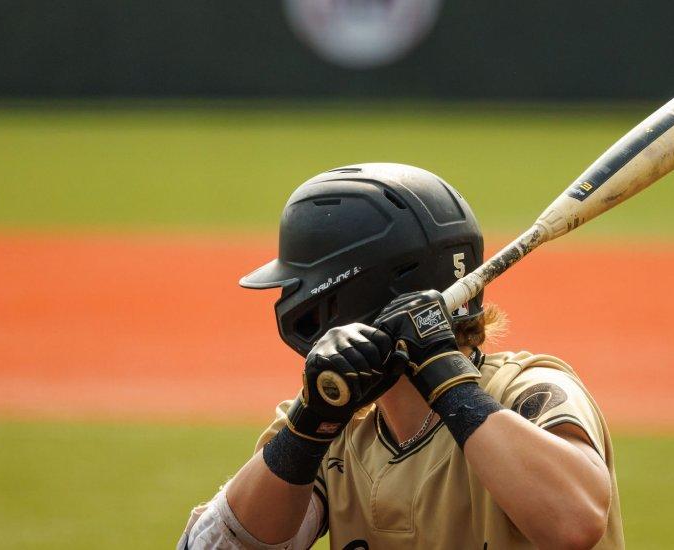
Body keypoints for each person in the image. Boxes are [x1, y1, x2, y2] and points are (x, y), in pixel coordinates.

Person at [179, 163, 625, 549]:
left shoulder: (528, 390)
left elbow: (575, 525)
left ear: (347, 296)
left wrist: (445, 378)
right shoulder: (335, 424)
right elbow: (215, 546)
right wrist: (309, 425)